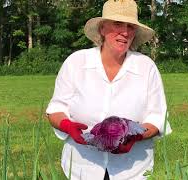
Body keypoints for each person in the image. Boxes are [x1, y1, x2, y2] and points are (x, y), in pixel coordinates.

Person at [46, 0, 172, 179]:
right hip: (82, 167)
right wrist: (68, 126)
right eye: (118, 24)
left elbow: (157, 117)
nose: (125, 32)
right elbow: (56, 110)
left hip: (132, 169)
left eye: (130, 26)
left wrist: (135, 136)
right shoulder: (76, 62)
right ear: (102, 28)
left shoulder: (146, 67)